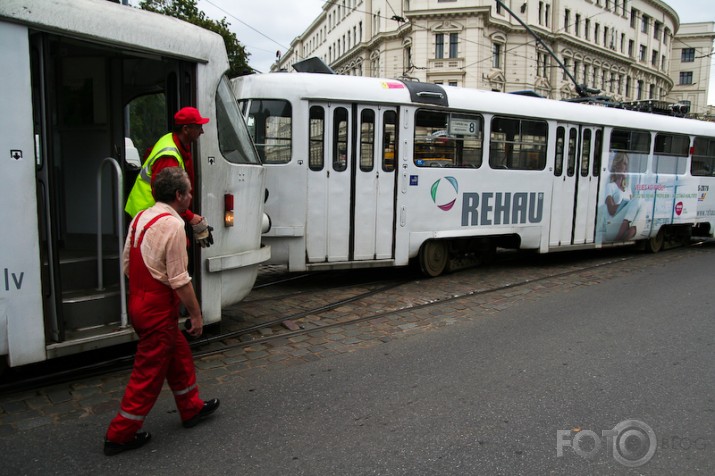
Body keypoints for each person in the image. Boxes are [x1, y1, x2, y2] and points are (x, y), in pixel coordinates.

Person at [104, 167, 220, 456]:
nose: (191, 196)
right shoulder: (173, 226)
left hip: (139, 302)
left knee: (178, 353)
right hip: (157, 309)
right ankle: (119, 434)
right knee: (147, 376)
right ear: (178, 195)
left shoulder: (142, 216)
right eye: (189, 192)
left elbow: (127, 264)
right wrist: (196, 314)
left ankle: (191, 407)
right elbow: (180, 279)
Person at [125, 106, 213, 247]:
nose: (202, 131)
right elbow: (167, 197)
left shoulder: (171, 141)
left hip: (150, 215)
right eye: (198, 127)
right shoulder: (169, 157)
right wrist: (191, 217)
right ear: (186, 129)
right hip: (147, 216)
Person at [603, 152, 641, 241]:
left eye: (627, 165)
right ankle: (624, 234)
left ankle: (630, 230)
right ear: (616, 165)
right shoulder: (610, 186)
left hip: (624, 222)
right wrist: (626, 205)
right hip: (612, 224)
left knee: (642, 202)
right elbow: (611, 210)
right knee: (636, 201)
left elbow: (633, 209)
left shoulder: (628, 189)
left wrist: (628, 205)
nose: (626, 168)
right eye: (624, 164)